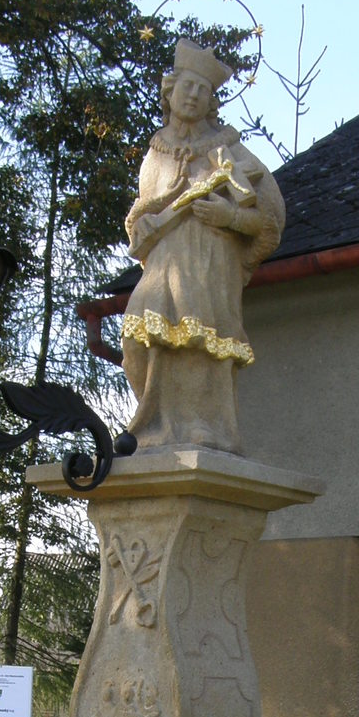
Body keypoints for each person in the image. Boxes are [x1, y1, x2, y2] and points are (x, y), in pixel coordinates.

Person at [121, 39, 285, 453]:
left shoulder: (229, 152)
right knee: (136, 341)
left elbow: (268, 218)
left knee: (198, 344)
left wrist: (229, 217)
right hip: (164, 263)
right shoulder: (156, 153)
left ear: (212, 101)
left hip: (211, 263)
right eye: (187, 86)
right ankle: (154, 425)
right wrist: (153, 213)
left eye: (203, 89)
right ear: (170, 90)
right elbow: (143, 213)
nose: (193, 95)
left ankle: (204, 429)